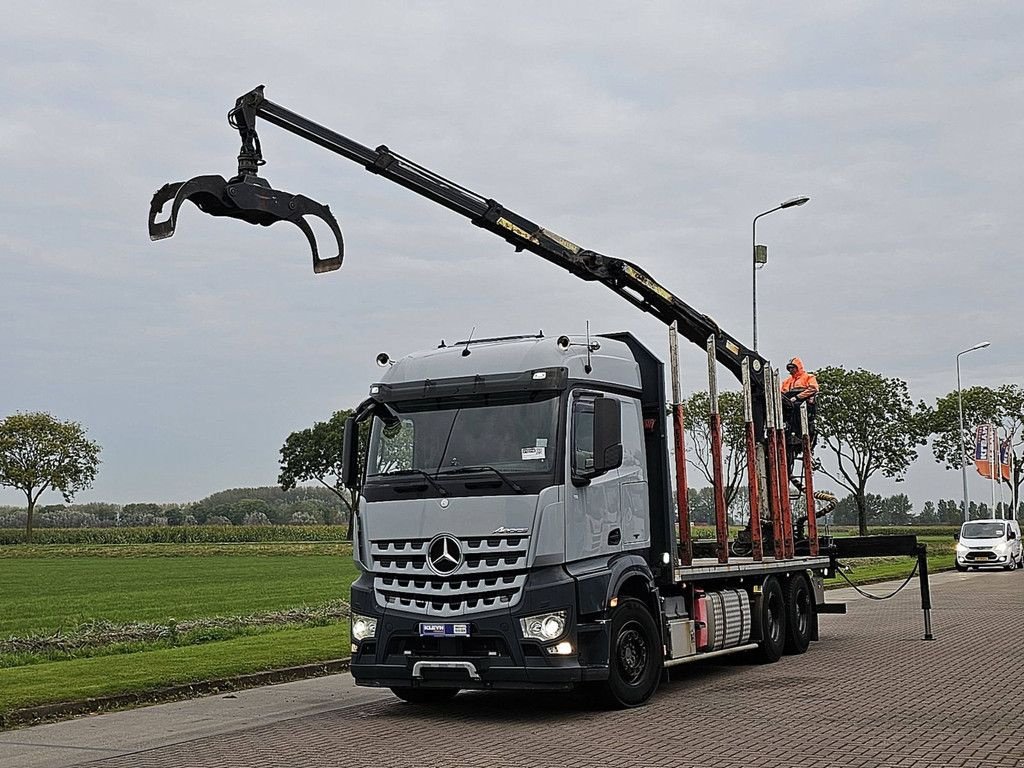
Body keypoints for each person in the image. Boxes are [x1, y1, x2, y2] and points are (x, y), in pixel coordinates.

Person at [780, 357, 819, 483]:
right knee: (786, 410)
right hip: (789, 407)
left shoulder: (808, 377)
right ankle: (788, 432)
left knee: (796, 407)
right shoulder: (787, 381)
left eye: (793, 368)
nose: (791, 370)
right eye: (789, 368)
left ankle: (797, 434)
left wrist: (798, 397)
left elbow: (813, 388)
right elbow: (781, 393)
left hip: (802, 405)